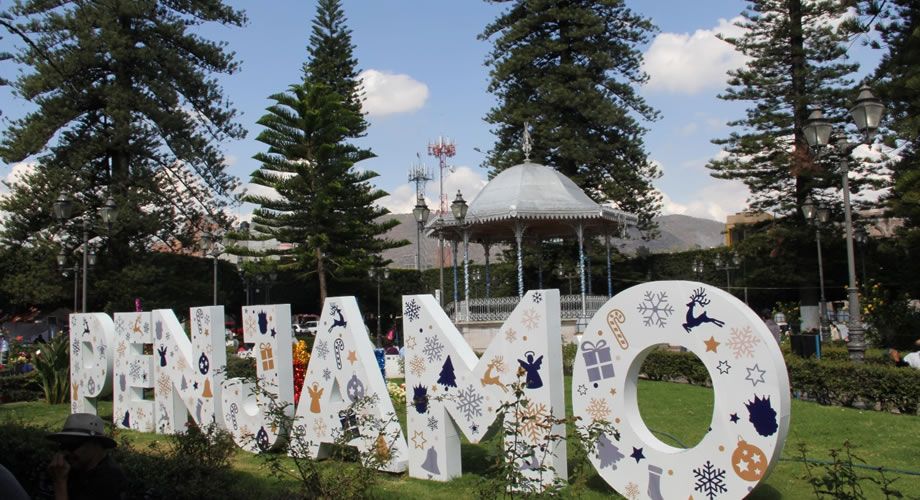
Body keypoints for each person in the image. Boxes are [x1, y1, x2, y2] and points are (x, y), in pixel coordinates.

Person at [45, 413, 127, 500]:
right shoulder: (72, 469)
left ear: (95, 444)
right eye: (63, 446)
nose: (66, 452)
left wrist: (59, 483)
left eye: (72, 445)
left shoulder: (109, 479)